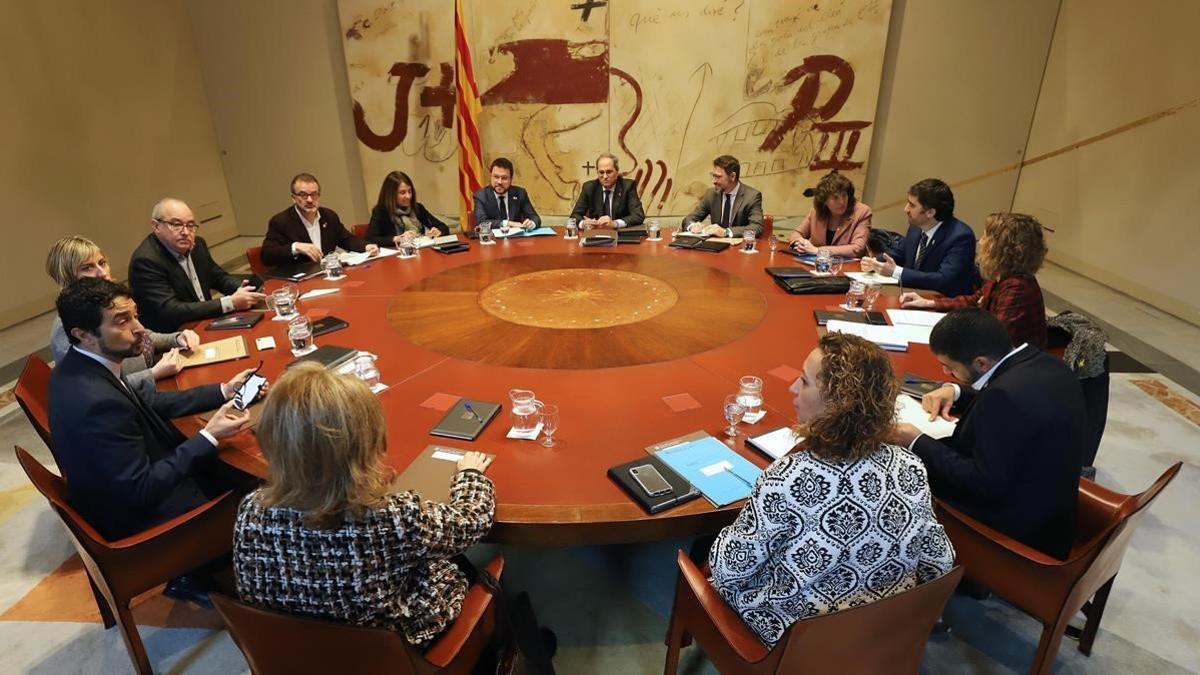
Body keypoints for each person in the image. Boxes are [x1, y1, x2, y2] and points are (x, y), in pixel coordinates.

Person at [708, 333, 955, 646]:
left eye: (805, 381)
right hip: (882, 634)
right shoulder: (910, 466)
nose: (792, 388)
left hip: (797, 645)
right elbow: (939, 561)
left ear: (838, 402)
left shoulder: (787, 477)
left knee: (706, 554)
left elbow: (731, 568)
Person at [234, 362, 496, 648]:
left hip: (292, 652)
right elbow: (472, 521)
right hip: (391, 652)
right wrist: (470, 476)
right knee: (459, 566)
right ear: (366, 442)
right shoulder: (390, 517)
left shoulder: (250, 511)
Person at [49, 278, 254, 541]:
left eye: (135, 316)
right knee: (261, 489)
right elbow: (140, 488)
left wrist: (223, 390)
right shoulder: (96, 402)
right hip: (149, 525)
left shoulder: (81, 366)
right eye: (122, 321)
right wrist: (209, 436)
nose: (140, 329)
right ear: (83, 334)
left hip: (133, 487)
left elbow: (146, 403)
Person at [892, 308, 1087, 560]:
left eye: (950, 368)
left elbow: (982, 482)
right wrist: (956, 391)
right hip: (1052, 508)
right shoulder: (1046, 364)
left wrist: (916, 440)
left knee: (899, 480)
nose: (946, 374)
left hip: (1015, 532)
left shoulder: (1004, 397)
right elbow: (1010, 396)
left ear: (981, 363)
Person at [46, 236, 200, 387]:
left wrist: (176, 338)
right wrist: (153, 373)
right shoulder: (66, 326)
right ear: (67, 278)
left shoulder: (107, 301)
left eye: (102, 263)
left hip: (152, 377)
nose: (102, 273)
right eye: (87, 268)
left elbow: (143, 336)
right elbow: (94, 388)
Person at [900, 212, 1048, 348]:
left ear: (1002, 249)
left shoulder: (1017, 289)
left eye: (985, 238)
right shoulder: (1002, 276)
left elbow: (996, 340)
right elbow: (974, 301)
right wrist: (929, 303)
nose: (980, 242)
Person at [129, 198, 265, 333]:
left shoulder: (197, 245)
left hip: (206, 321)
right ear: (156, 226)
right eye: (176, 224)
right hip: (175, 335)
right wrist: (230, 303)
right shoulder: (146, 261)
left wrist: (247, 291)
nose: (186, 232)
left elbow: (219, 277)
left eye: (190, 225)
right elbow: (170, 310)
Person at [860, 178, 976, 297]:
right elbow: (899, 253)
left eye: (912, 205)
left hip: (941, 304)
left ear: (930, 212)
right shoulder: (916, 228)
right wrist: (874, 262)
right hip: (911, 296)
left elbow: (944, 280)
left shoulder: (960, 236)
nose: (905, 209)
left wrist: (896, 272)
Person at [261, 172, 378, 266]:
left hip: (327, 274)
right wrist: (295, 247)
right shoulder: (281, 221)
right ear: (293, 198)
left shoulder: (329, 216)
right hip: (300, 279)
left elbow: (346, 239)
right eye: (303, 195)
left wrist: (366, 247)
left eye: (314, 194)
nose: (310, 200)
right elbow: (267, 255)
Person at [788, 171, 871, 257]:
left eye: (844, 195)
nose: (842, 202)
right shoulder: (817, 211)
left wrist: (818, 251)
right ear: (824, 201)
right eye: (835, 198)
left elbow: (857, 248)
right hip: (816, 266)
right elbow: (796, 234)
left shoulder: (862, 212)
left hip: (845, 267)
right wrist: (801, 244)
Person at [682, 155, 764, 238]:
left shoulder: (752, 196)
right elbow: (689, 218)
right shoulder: (711, 194)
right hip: (715, 246)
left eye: (718, 177)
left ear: (732, 176)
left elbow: (757, 228)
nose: (713, 181)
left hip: (739, 247)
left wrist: (726, 232)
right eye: (713, 176)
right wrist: (692, 226)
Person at [365, 170, 451, 246]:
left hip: (421, 252)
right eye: (403, 192)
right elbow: (370, 238)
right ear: (391, 194)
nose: (408, 196)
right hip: (397, 256)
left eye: (410, 191)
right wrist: (397, 239)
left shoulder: (417, 208)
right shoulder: (381, 212)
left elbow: (444, 227)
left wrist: (438, 232)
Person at [569, 153, 645, 229]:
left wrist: (615, 223)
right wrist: (584, 224)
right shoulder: (589, 188)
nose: (605, 176)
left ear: (617, 172)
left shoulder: (627, 186)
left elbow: (638, 215)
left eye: (609, 172)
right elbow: (574, 216)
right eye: (601, 172)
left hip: (620, 235)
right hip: (595, 235)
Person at [473, 157, 541, 232]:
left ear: (511, 179)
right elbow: (482, 222)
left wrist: (531, 224)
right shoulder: (481, 196)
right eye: (496, 177)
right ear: (491, 176)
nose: (499, 182)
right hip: (493, 240)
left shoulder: (520, 193)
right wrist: (508, 223)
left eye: (504, 178)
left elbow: (535, 218)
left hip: (516, 240)